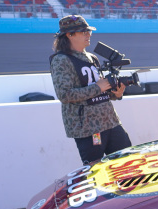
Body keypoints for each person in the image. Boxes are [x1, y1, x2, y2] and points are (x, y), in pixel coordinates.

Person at [49, 14, 130, 164]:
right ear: (69, 35)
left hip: (111, 122)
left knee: (127, 162)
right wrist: (98, 87)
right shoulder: (61, 60)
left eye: (89, 31)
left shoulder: (92, 58)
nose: (89, 34)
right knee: (96, 169)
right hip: (88, 129)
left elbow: (102, 89)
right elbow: (65, 95)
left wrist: (115, 94)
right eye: (83, 32)